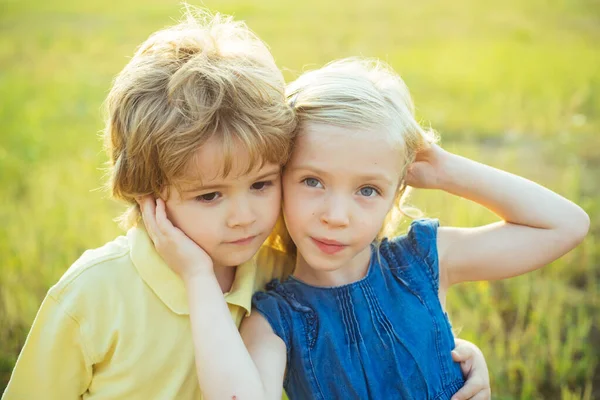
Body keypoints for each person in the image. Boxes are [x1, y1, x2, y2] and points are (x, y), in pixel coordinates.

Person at [145, 59, 528, 399]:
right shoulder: (276, 319)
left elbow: (564, 227)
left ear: (397, 191)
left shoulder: (423, 261)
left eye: (368, 189)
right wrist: (197, 276)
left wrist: (444, 169)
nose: (336, 216)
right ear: (278, 178)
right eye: (312, 181)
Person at [2, 7, 297, 399]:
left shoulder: (281, 270)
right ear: (147, 192)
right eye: (210, 195)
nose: (244, 217)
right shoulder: (92, 294)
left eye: (261, 184)